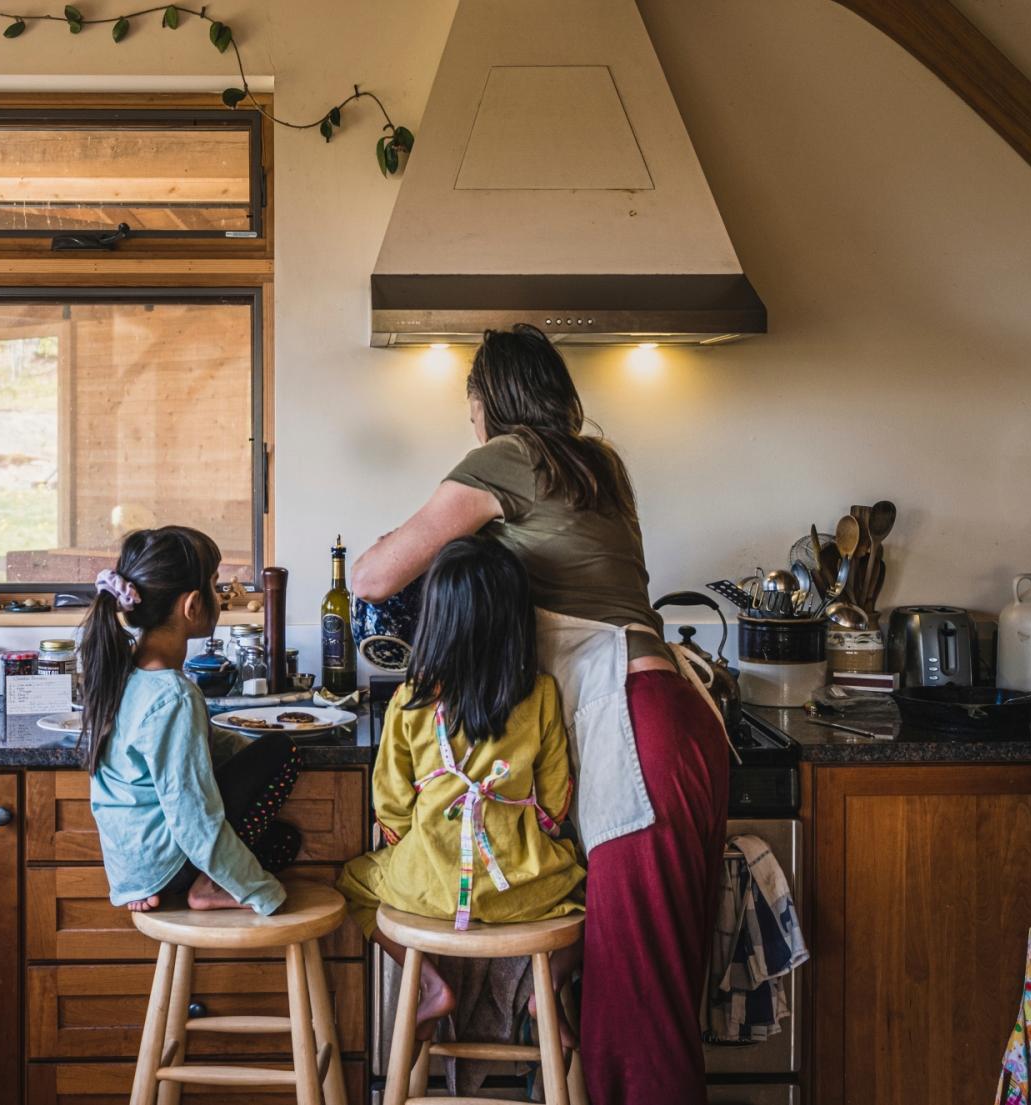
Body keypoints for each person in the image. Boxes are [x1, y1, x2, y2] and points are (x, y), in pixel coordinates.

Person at [352, 325, 730, 1105]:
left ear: (488, 403)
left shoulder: (510, 455)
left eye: (471, 411)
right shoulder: (600, 464)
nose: (472, 426)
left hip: (633, 726)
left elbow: (373, 576)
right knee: (654, 985)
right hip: (677, 717)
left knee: (637, 1000)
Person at [338, 535, 584, 1032]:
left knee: (351, 883)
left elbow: (390, 802)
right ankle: (549, 987)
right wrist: (537, 829)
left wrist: (415, 844)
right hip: (523, 889)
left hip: (427, 887)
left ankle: (432, 983)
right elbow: (555, 799)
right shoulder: (540, 694)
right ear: (518, 621)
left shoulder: (409, 699)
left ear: (435, 620)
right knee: (602, 900)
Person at [82, 525, 303, 914]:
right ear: (193, 606)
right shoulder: (174, 696)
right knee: (281, 751)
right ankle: (208, 886)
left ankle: (204, 880)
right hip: (168, 867)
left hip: (136, 866)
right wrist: (262, 894)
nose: (220, 597)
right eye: (216, 586)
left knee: (283, 841)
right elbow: (194, 818)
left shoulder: (126, 673)